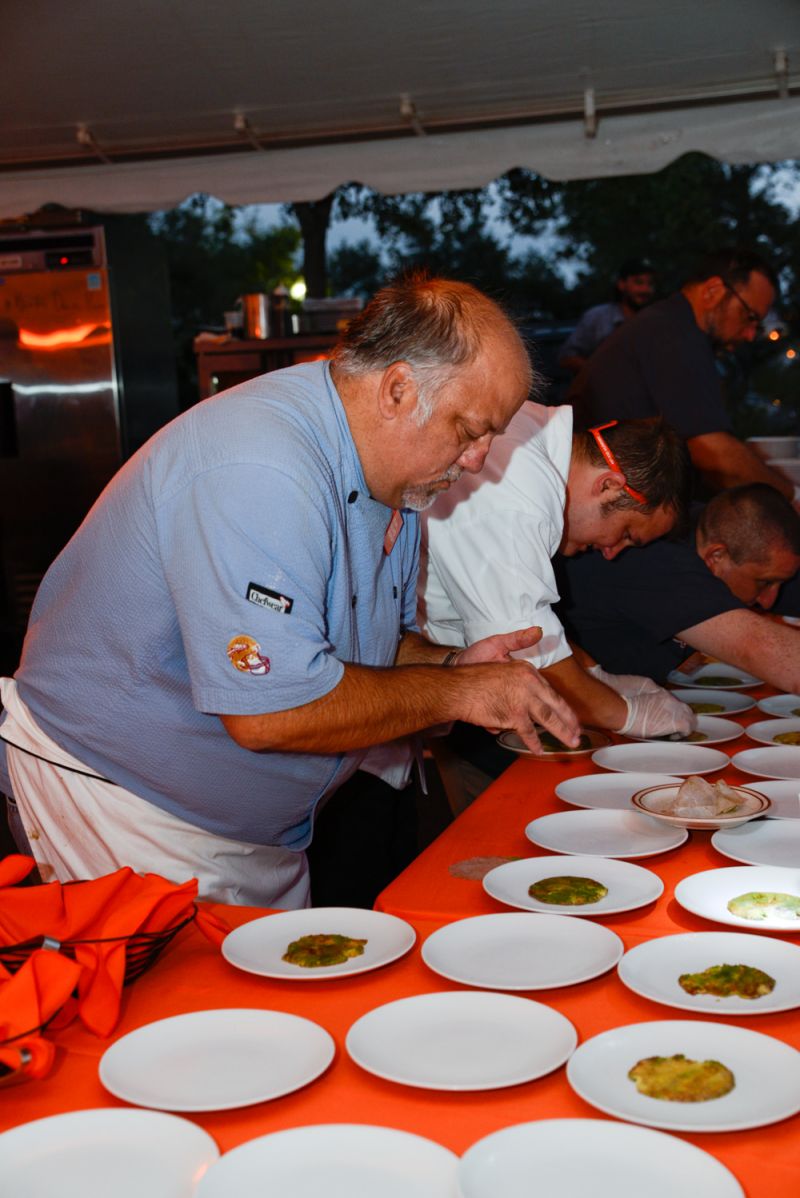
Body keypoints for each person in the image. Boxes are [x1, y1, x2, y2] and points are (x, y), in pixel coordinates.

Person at [0, 275, 581, 909]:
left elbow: (345, 646)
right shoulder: (263, 466)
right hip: (123, 804)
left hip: (251, 833)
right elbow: (269, 711)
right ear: (398, 389)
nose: (478, 459)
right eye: (470, 430)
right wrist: (459, 692)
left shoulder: (399, 476)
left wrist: (448, 664)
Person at [418, 407, 696, 762]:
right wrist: (626, 714)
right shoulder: (518, 496)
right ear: (609, 485)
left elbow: (530, 619)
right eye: (627, 534)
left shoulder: (534, 437)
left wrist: (593, 674)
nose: (611, 552)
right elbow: (521, 649)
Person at [571, 248, 794, 500]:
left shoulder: (670, 323)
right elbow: (714, 456)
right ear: (713, 291)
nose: (751, 334)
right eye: (749, 317)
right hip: (606, 504)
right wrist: (792, 497)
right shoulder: (673, 335)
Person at [556, 484, 800, 691]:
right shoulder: (658, 561)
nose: (768, 601)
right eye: (764, 583)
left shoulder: (724, 533)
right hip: (568, 707)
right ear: (716, 556)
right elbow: (759, 647)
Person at [558, 257, 656, 376]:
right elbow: (566, 358)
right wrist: (604, 373)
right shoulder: (598, 317)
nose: (645, 289)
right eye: (638, 282)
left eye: (650, 283)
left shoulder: (655, 320)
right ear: (621, 284)